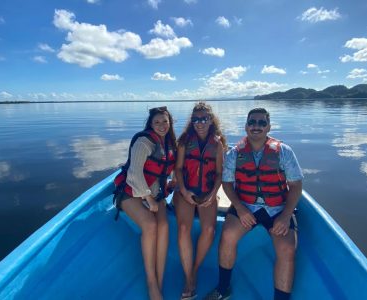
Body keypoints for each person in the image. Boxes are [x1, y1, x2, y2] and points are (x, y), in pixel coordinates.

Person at [205, 108, 303, 300]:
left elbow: (296, 186)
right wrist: (240, 209)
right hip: (246, 206)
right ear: (246, 126)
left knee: (287, 248)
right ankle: (223, 289)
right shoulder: (235, 153)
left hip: (278, 208)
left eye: (261, 123)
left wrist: (285, 215)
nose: (256, 126)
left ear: (268, 127)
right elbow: (227, 183)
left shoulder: (284, 151)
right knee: (227, 235)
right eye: (252, 122)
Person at [113, 106, 177, 300]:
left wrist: (173, 185)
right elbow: (134, 174)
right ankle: (151, 283)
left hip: (156, 194)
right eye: (157, 122)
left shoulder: (169, 143)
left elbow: (168, 170)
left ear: (170, 123)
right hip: (131, 193)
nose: (161, 125)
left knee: (164, 227)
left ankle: (160, 279)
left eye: (165, 121)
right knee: (150, 225)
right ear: (150, 124)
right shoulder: (144, 142)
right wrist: (148, 198)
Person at [173, 102, 227, 300]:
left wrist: (213, 194)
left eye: (203, 119)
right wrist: (185, 191)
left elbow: (220, 174)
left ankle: (194, 269)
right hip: (185, 192)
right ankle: (189, 280)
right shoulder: (185, 141)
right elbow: (178, 169)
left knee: (209, 230)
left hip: (207, 193)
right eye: (195, 119)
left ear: (211, 120)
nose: (199, 123)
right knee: (184, 229)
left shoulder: (218, 143)